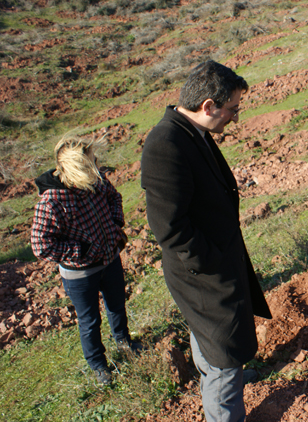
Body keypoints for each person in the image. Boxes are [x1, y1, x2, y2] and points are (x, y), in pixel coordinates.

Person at [140, 60, 272, 422]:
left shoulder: (190, 132)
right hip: (203, 275)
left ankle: (226, 378)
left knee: (213, 340)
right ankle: (224, 402)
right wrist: (212, 261)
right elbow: (169, 228)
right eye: (232, 109)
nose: (235, 117)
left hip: (214, 266)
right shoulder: (165, 144)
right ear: (208, 106)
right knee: (222, 352)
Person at [31, 136, 141, 385]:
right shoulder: (52, 201)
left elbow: (115, 197)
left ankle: (124, 343)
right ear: (75, 167)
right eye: (91, 161)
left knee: (117, 306)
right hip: (80, 274)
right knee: (89, 321)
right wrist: (79, 251)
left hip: (110, 259)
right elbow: (40, 245)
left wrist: (115, 223)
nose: (96, 164)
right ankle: (99, 366)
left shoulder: (97, 181)